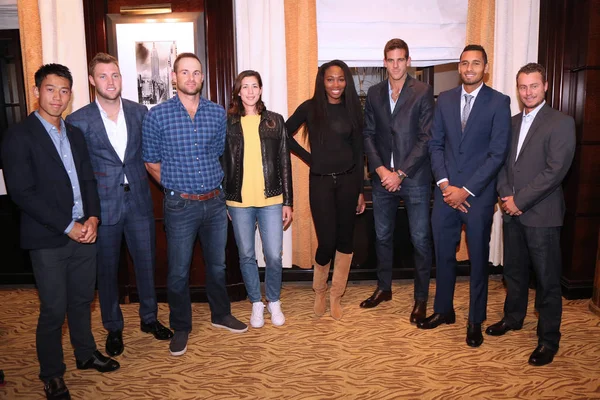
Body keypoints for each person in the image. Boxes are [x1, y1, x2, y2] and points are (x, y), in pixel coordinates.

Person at [1, 63, 119, 400]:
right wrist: (68, 226)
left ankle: (85, 354)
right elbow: (22, 193)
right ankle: (52, 374)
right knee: (54, 308)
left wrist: (93, 218)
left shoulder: (76, 134)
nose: (58, 97)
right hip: (49, 238)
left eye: (64, 90)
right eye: (51, 89)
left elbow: (88, 180)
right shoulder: (19, 136)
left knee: (82, 301)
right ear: (37, 91)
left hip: (86, 233)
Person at [66, 53, 173, 358]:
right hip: (102, 207)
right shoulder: (78, 120)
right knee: (108, 270)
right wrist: (83, 213)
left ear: (121, 78)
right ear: (91, 81)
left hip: (139, 200)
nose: (110, 82)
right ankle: (113, 326)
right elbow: (77, 171)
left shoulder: (140, 112)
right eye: (102, 76)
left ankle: (149, 319)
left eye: (114, 75)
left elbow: (153, 153)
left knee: (147, 263)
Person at [143, 53, 247, 357]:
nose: (191, 78)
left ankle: (221, 314)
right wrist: (177, 186)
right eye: (184, 72)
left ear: (202, 78)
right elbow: (150, 161)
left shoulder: (216, 114)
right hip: (180, 206)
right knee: (178, 271)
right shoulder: (157, 116)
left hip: (214, 203)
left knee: (217, 266)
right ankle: (181, 326)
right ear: (174, 78)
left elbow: (216, 154)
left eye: (196, 73)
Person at [418, 45, 511, 348]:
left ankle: (475, 320)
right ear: (459, 67)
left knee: (478, 261)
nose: (469, 68)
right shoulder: (443, 100)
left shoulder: (499, 102)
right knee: (443, 255)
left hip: (478, 196)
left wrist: (465, 190)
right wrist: (446, 186)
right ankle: (444, 310)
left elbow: (497, 155)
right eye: (464, 63)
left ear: (486, 66)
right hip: (445, 194)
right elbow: (436, 145)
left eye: (476, 63)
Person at [487, 63, 575, 366]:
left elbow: (555, 171)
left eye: (534, 86)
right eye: (523, 86)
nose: (528, 92)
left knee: (548, 280)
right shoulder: (510, 123)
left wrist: (519, 200)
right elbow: (500, 163)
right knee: (513, 271)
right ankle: (513, 317)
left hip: (542, 214)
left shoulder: (561, 122)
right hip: (511, 212)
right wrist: (504, 196)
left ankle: (548, 339)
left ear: (545, 86)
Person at [361, 38, 434, 323]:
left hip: (413, 178)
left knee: (420, 240)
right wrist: (381, 171)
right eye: (390, 60)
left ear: (408, 61)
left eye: (400, 59)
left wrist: (400, 173)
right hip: (381, 181)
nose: (395, 65)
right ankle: (384, 288)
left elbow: (426, 137)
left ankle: (421, 298)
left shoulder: (423, 91)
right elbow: (368, 134)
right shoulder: (374, 92)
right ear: (384, 62)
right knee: (382, 236)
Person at [286, 59, 366, 320]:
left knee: (345, 241)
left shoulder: (353, 109)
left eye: (341, 79)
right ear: (322, 81)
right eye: (330, 79)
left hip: (348, 182)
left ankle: (336, 296)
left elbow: (358, 152)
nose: (336, 84)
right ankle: (320, 290)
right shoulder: (310, 108)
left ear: (347, 82)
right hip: (320, 182)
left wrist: (360, 190)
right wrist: (309, 158)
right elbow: (283, 134)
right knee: (327, 242)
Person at [223, 70, 293, 328]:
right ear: (238, 92)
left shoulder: (275, 121)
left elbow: (284, 162)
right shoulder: (228, 123)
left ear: (261, 90)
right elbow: (221, 163)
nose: (250, 91)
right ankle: (256, 302)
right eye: (245, 87)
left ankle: (273, 300)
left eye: (254, 86)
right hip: (239, 201)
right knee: (246, 255)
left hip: (272, 200)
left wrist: (288, 201)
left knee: (274, 255)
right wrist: (224, 199)